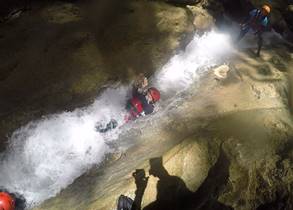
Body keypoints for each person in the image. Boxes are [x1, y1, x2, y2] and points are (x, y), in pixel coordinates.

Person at [96, 87, 161, 133]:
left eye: (148, 94)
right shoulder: (141, 96)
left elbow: (143, 100)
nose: (146, 93)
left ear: (152, 99)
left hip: (123, 119)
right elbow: (134, 91)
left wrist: (141, 89)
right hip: (120, 109)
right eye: (147, 92)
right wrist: (138, 85)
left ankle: (95, 132)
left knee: (106, 127)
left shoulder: (149, 108)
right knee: (104, 119)